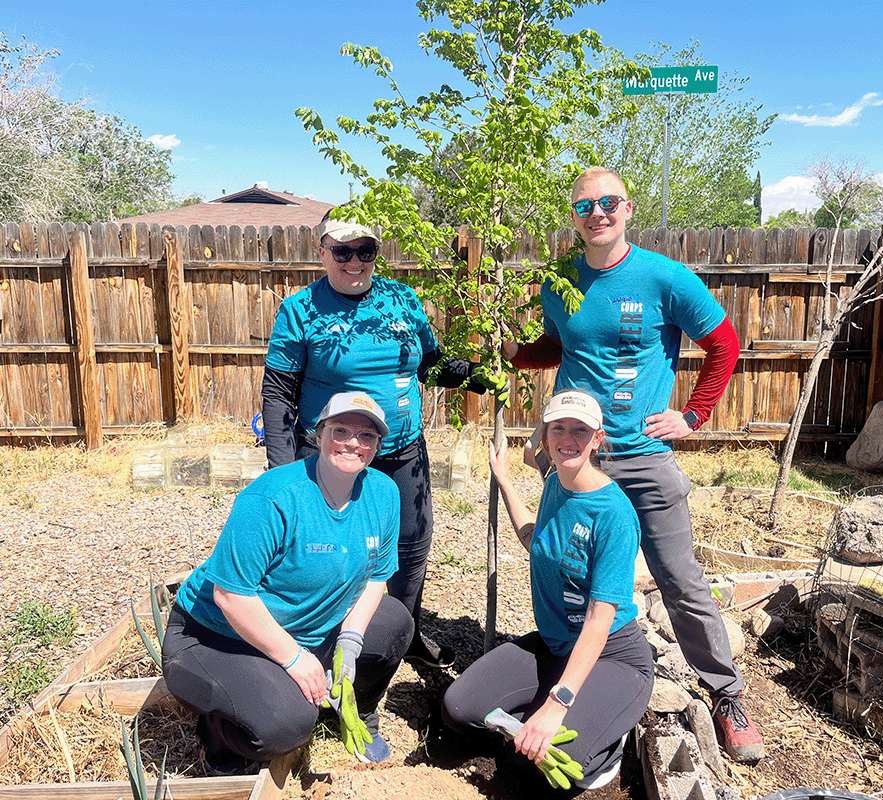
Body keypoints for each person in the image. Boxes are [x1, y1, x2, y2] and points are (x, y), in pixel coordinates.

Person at [502, 166, 764, 763]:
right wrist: (513, 352)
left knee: (680, 578)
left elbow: (724, 344)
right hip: (575, 456)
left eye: (609, 203)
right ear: (574, 215)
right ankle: (569, 677)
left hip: (643, 458)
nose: (598, 213)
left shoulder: (664, 277)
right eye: (586, 205)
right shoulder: (560, 278)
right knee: (561, 567)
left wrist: (693, 417)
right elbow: (559, 346)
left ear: (627, 209)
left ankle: (725, 695)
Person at [261, 215, 506, 669]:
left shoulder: (402, 300)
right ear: (323, 251)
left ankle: (402, 631)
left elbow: (428, 366)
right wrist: (282, 470)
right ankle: (322, 639)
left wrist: (474, 376)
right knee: (332, 549)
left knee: (411, 544)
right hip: (336, 454)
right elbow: (278, 393)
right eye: (342, 251)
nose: (354, 262)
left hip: (403, 451)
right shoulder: (301, 310)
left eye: (365, 251)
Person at [162, 392, 413, 770]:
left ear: (378, 444)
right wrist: (294, 659)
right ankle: (219, 739)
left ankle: (352, 711)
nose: (352, 443)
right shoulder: (273, 498)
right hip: (219, 636)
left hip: (304, 626)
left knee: (393, 624)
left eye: (366, 436)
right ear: (318, 433)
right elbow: (230, 596)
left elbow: (378, 576)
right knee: (287, 725)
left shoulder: (382, 493)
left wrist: (350, 638)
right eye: (340, 429)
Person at [442, 390, 654, 791]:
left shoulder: (615, 517)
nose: (567, 438)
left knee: (560, 762)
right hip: (557, 647)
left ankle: (606, 741)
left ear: (597, 438)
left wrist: (558, 703)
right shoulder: (556, 483)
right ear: (545, 435)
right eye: (558, 428)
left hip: (613, 654)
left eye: (580, 430)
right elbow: (535, 539)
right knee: (458, 709)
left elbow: (599, 620)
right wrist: (504, 479)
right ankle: (554, 709)